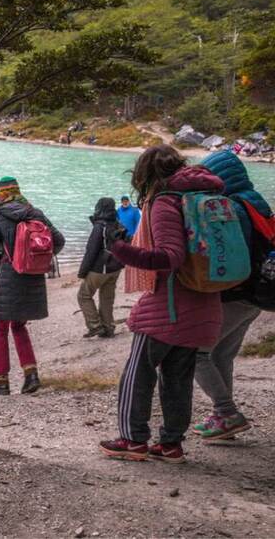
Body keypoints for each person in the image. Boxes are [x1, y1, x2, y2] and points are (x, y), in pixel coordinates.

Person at [99, 145, 223, 463]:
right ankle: (170, 444)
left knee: (137, 374)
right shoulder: (197, 196)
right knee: (178, 378)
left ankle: (133, 439)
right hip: (203, 302)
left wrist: (121, 249)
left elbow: (170, 257)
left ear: (144, 174)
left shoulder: (164, 201)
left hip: (168, 305)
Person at [192, 150, 271, 440]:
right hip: (260, 293)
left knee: (195, 353)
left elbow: (224, 253)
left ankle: (227, 413)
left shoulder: (229, 208)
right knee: (222, 354)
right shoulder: (255, 201)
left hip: (238, 292)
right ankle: (222, 419)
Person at [0, 177, 65, 395]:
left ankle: (1, 381)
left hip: (11, 275)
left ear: (1, 195)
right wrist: (38, 258)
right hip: (33, 277)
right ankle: (31, 375)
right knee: (19, 326)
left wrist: (7, 260)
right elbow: (59, 240)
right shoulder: (34, 212)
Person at [77, 198, 125, 339]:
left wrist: (82, 272)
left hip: (101, 268)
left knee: (84, 295)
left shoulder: (99, 227)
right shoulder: (118, 225)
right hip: (115, 267)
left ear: (98, 208)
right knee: (106, 298)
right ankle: (108, 328)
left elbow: (91, 251)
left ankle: (95, 326)